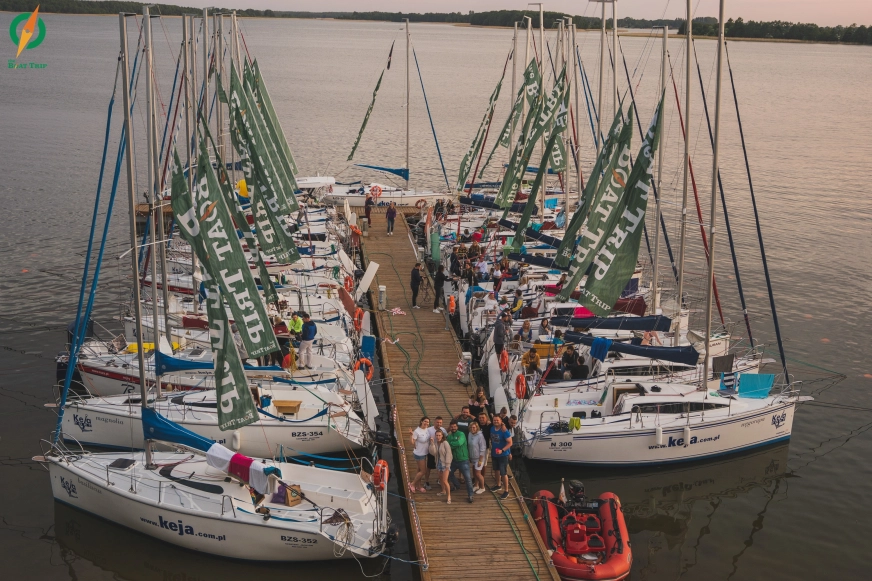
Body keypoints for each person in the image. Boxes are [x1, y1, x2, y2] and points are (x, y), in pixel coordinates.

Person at [447, 420, 474, 503]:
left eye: (455, 426)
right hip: (454, 460)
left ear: (457, 427)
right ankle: (457, 485)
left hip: (463, 460)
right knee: (449, 473)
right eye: (451, 427)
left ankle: (470, 495)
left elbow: (459, 443)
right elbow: (448, 444)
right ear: (450, 427)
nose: (453, 428)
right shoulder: (449, 436)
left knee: (468, 478)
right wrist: (452, 443)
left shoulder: (461, 434)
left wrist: (451, 444)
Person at [489, 415, 513, 499]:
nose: (496, 421)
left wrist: (503, 450)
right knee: (496, 470)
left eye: (497, 420)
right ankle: (498, 485)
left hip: (503, 455)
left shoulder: (504, 431)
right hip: (494, 454)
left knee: (503, 473)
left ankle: (506, 491)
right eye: (494, 420)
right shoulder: (492, 428)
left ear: (501, 421)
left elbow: (510, 443)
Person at [429, 429, 453, 503]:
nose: (438, 437)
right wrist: (432, 444)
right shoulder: (436, 443)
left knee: (445, 480)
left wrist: (447, 465)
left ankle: (449, 496)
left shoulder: (445, 443)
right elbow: (433, 453)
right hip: (438, 463)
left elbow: (449, 454)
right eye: (437, 435)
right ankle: (443, 491)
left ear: (442, 436)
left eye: (439, 435)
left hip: (445, 464)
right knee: (440, 478)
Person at [408, 417, 431, 493]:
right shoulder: (417, 431)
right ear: (421, 421)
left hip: (425, 453)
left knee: (419, 470)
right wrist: (411, 435)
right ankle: (412, 484)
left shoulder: (427, 429)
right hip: (419, 454)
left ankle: (418, 486)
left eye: (428, 422)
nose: (426, 423)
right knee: (423, 471)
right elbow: (412, 442)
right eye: (425, 421)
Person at [424, 416, 448, 489]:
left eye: (440, 422)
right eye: (437, 422)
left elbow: (446, 438)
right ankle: (426, 481)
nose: (439, 424)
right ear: (434, 422)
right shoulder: (428, 430)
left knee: (440, 467)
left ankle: (439, 480)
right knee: (429, 467)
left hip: (440, 451)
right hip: (432, 451)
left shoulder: (443, 430)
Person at [467, 421, 487, 494]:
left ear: (477, 428)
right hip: (472, 457)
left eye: (474, 427)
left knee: (478, 473)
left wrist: (480, 460)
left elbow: (483, 448)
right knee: (474, 473)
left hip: (479, 458)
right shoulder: (469, 434)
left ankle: (482, 487)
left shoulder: (480, 436)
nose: (473, 429)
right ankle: (476, 485)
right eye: (471, 427)